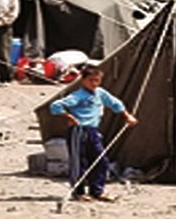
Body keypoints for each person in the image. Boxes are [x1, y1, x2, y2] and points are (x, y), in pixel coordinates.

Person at [49, 65, 138, 202]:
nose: (94, 83)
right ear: (83, 80)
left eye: (97, 80)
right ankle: (78, 192)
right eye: (91, 80)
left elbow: (114, 103)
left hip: (93, 130)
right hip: (79, 130)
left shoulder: (100, 93)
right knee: (80, 162)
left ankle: (97, 190)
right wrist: (69, 117)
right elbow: (56, 106)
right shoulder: (78, 95)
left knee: (100, 161)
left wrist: (126, 116)